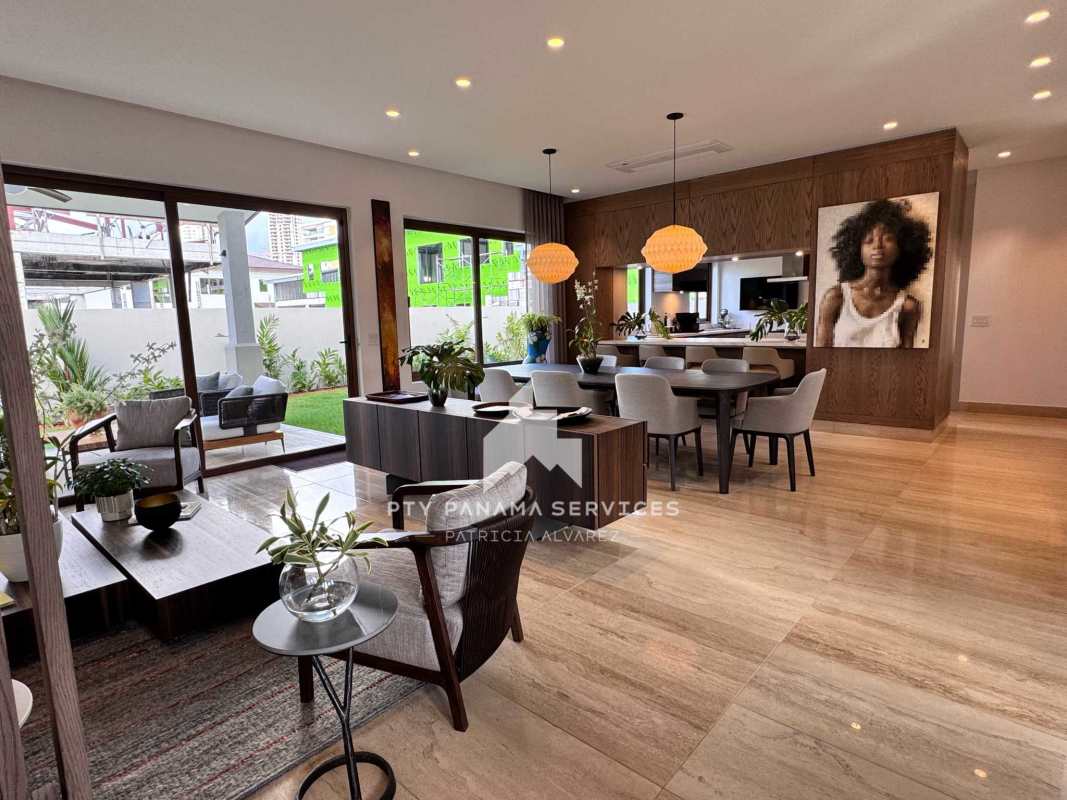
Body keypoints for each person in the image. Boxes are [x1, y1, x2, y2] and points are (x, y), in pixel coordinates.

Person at [817, 198, 932, 348]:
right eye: (869, 240)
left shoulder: (907, 306)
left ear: (902, 248)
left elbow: (907, 361)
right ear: (857, 249)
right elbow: (820, 354)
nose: (877, 246)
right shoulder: (835, 298)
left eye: (888, 239)